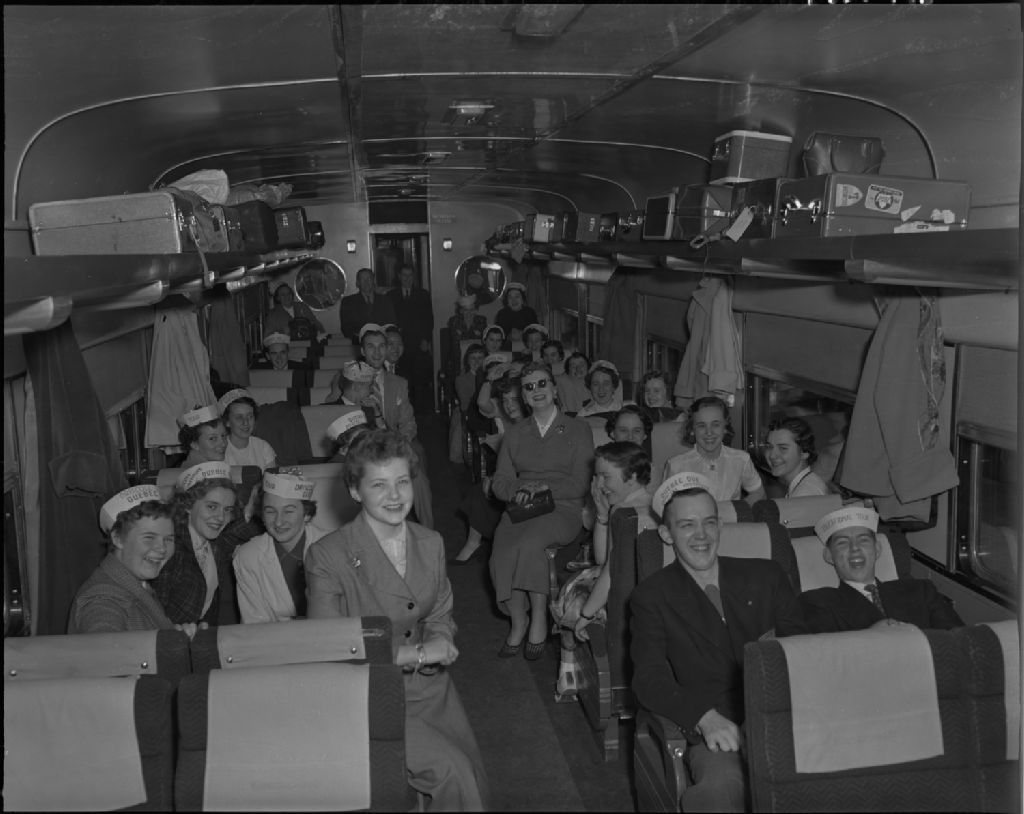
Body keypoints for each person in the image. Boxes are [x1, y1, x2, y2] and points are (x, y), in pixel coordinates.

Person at [306, 430, 489, 811]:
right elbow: (331, 647)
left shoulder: (431, 542)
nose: (394, 495)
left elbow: (439, 612)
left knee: (473, 774)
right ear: (355, 491)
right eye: (379, 484)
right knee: (453, 774)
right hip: (368, 693)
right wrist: (417, 654)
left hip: (430, 687)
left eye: (402, 482)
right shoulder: (328, 556)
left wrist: (441, 638)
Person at [630, 472, 806, 813]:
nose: (701, 535)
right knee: (723, 789)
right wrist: (703, 717)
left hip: (783, 717)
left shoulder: (767, 575)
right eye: (687, 525)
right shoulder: (651, 597)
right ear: (666, 534)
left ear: (720, 526)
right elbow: (648, 679)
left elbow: (801, 649)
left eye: (709, 522)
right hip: (718, 727)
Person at [490, 362, 594, 659]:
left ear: (555, 389)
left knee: (530, 543)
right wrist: (521, 490)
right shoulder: (515, 433)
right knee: (501, 550)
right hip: (523, 504)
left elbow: (580, 482)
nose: (536, 390)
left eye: (542, 383)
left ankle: (538, 616)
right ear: (523, 396)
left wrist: (544, 487)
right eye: (529, 387)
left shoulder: (578, 429)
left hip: (563, 507)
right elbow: (500, 482)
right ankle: (518, 619)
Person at [551, 442, 652, 700]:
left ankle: (568, 673)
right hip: (641, 590)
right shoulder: (649, 503)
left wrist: (586, 614)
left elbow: (609, 569)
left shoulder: (625, 513)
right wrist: (603, 515)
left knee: (574, 592)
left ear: (631, 477)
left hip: (624, 596)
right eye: (596, 476)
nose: (599, 484)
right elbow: (605, 559)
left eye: (606, 477)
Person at [781, 507, 964, 634]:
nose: (854, 548)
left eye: (863, 540)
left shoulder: (921, 591)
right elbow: (819, 654)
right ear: (829, 556)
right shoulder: (816, 602)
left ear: (877, 549)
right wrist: (871, 636)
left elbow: (960, 640)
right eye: (842, 543)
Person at [68, 485, 176, 633]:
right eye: (149, 538)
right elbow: (106, 642)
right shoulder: (103, 600)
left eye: (168, 539)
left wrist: (178, 639)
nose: (162, 548)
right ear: (117, 538)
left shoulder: (136, 583)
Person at [358, 324, 434, 529]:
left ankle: (428, 533)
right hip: (362, 445)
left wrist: (397, 445)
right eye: (371, 347)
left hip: (394, 443)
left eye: (381, 346)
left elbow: (408, 423)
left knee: (418, 477)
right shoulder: (349, 380)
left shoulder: (399, 383)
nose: (377, 352)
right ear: (362, 351)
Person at [151, 461, 240, 626]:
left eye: (227, 509)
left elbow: (248, 527)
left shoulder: (214, 541)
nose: (221, 518)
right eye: (212, 506)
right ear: (188, 505)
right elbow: (153, 616)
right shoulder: (170, 548)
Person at [233, 471, 327, 624]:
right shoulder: (247, 557)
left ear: (306, 514)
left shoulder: (334, 549)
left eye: (288, 511)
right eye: (270, 511)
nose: (278, 522)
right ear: (262, 516)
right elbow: (254, 625)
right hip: (273, 638)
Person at [452, 376, 527, 564]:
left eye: (515, 400)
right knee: (479, 491)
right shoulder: (513, 426)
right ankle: (473, 544)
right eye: (505, 401)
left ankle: (500, 547)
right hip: (514, 477)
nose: (509, 406)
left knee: (486, 492)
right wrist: (495, 477)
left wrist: (498, 479)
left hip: (530, 483)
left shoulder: (532, 425)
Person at [664, 396, 765, 505]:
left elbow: (759, 493)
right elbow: (666, 507)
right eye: (701, 426)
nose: (709, 432)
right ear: (692, 430)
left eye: (715, 425)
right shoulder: (676, 466)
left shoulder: (741, 460)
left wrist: (736, 509)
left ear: (725, 427)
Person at [387, 265, 434, 408]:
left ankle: (419, 411)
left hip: (418, 343)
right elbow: (389, 320)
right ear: (399, 276)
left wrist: (426, 340)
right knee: (402, 378)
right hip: (399, 345)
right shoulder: (391, 295)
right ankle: (403, 408)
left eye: (410, 275)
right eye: (404, 275)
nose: (407, 278)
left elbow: (429, 320)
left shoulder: (423, 294)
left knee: (419, 380)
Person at [764, 417, 830, 497]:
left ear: (804, 452)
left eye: (783, 448)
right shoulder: (806, 483)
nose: (772, 456)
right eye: (769, 446)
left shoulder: (804, 494)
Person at [219, 388, 277, 471]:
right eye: (239, 417)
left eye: (250, 416)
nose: (246, 423)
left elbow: (271, 478)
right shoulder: (220, 450)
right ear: (227, 422)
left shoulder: (263, 448)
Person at [339, 267, 397, 345]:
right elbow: (346, 328)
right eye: (363, 279)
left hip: (383, 344)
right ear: (357, 283)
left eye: (369, 278)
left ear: (373, 281)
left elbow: (391, 323)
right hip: (359, 345)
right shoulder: (348, 302)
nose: (366, 282)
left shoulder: (385, 300)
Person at [177, 404, 229, 469]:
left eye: (223, 435)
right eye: (212, 438)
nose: (223, 444)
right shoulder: (192, 472)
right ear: (194, 444)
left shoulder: (213, 467)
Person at [555, 351, 590, 415]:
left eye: (582, 365)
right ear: (568, 370)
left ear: (588, 367)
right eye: (573, 366)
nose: (578, 368)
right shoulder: (561, 381)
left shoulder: (596, 382)